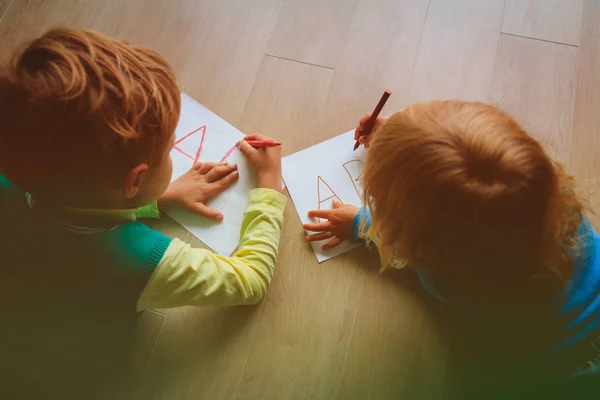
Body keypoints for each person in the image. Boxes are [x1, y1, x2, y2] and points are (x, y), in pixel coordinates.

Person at [304, 101, 600, 395]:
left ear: (419, 245)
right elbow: (467, 168)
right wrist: (400, 143)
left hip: (552, 374)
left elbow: (412, 251)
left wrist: (361, 223)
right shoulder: (538, 185)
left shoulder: (454, 281)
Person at [0, 27, 286, 312]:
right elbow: (251, 283)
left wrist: (158, 198)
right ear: (135, 180)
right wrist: (269, 184)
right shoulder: (139, 260)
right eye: (168, 150)